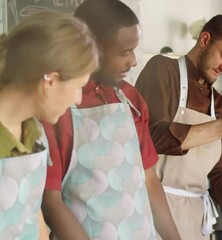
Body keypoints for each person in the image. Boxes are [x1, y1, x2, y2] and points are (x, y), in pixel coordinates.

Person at [41, 0, 180, 239]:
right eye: (124, 52)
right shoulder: (57, 106)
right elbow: (50, 201)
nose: (134, 61)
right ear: (90, 47)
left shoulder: (131, 98)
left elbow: (149, 180)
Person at [135, 14, 222, 240]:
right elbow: (152, 138)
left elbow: (216, 177)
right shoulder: (163, 69)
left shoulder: (219, 104)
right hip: (155, 213)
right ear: (204, 40)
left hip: (197, 220)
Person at [0, 11, 98, 240]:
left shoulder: (35, 133)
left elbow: (33, 214)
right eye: (78, 87)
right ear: (51, 80)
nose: (79, 99)